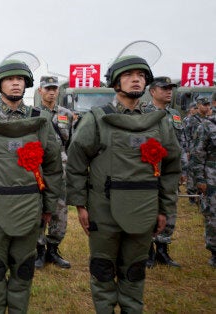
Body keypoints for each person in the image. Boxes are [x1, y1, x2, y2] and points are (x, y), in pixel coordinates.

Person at [66, 55, 181, 313]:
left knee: (135, 268)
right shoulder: (97, 119)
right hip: (103, 210)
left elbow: (171, 167)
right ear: (116, 82)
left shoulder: (159, 121)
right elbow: (75, 163)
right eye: (129, 75)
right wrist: (80, 204)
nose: (136, 79)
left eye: (141, 75)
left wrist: (164, 208)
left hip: (144, 207)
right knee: (103, 268)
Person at [0, 60, 63, 313]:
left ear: (26, 84)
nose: (15, 83)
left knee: (23, 266)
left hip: (30, 206)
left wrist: (48, 205)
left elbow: (52, 166)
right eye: (9, 79)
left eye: (20, 79)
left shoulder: (40, 120)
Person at [142, 76, 183, 268]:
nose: (169, 91)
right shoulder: (143, 112)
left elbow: (181, 144)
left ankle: (163, 250)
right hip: (149, 168)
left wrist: (183, 168)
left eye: (171, 88)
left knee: (169, 206)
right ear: (152, 91)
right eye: (164, 88)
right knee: (149, 206)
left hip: (170, 169)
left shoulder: (174, 114)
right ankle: (148, 250)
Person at [35, 76, 73, 269]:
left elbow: (72, 145)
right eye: (47, 88)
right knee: (40, 208)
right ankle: (39, 250)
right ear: (40, 91)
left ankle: (53, 249)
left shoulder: (67, 115)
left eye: (54, 88)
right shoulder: (33, 115)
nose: (51, 92)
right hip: (39, 169)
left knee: (60, 211)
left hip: (62, 172)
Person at [191, 97, 216, 267]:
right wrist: (199, 179)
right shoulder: (207, 125)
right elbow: (198, 154)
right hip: (212, 176)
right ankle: (215, 251)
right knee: (213, 215)